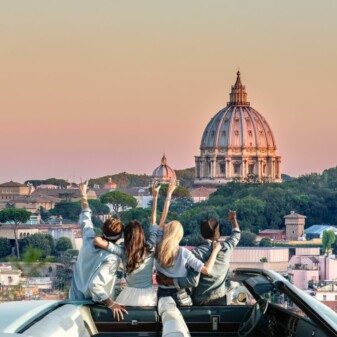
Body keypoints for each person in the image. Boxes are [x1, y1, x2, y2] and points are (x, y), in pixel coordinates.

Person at [93, 181, 168, 306]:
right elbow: (154, 223)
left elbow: (97, 240)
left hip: (128, 295)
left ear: (126, 236)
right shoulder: (150, 248)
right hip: (148, 296)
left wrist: (111, 234)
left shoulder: (123, 251)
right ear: (142, 234)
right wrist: (155, 197)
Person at [69, 180, 127, 321]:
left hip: (73, 303)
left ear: (103, 230)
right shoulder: (112, 258)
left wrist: (84, 196)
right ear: (119, 236)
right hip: (93, 310)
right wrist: (111, 304)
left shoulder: (88, 239)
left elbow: (86, 218)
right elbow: (95, 285)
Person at [157, 210, 241, 306]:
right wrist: (233, 220)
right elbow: (236, 235)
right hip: (221, 299)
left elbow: (192, 281)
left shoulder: (196, 253)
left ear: (201, 235)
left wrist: (167, 281)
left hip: (201, 302)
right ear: (219, 234)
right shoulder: (227, 248)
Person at [155, 186, 222, 306]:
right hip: (180, 296)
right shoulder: (184, 253)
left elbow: (160, 222)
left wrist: (164, 195)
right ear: (179, 236)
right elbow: (206, 270)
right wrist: (215, 251)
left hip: (161, 295)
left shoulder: (157, 248)